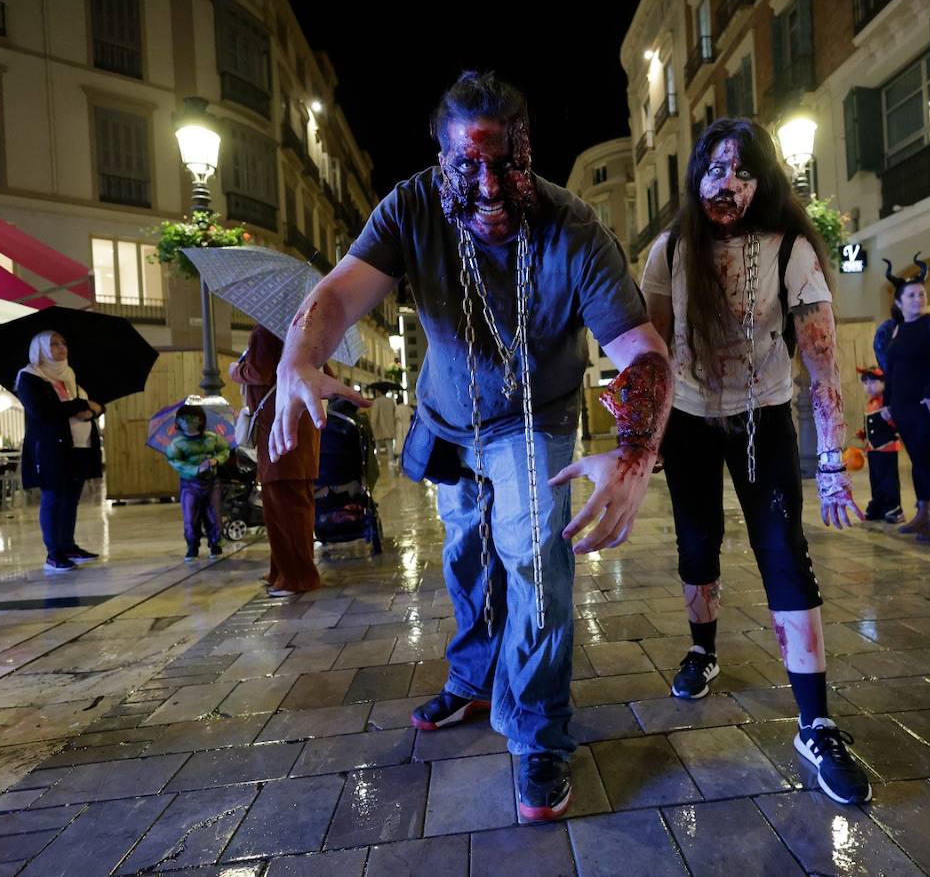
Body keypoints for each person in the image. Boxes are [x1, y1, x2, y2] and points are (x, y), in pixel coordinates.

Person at [266, 72, 671, 822]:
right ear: (440, 159)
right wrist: (299, 358)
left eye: (506, 164)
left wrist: (635, 451)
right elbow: (339, 293)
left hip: (534, 420)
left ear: (529, 152)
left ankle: (538, 731)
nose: (488, 186)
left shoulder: (576, 229)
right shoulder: (412, 205)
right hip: (449, 421)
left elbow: (642, 351)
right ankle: (476, 678)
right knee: (467, 558)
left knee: (537, 570)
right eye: (467, 166)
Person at [641, 117, 870, 806]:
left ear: (764, 182)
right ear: (696, 177)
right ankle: (703, 648)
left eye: (743, 172)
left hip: (764, 415)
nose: (728, 184)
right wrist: (646, 435)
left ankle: (816, 722)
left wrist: (831, 459)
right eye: (716, 169)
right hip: (688, 417)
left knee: (783, 550)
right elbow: (651, 349)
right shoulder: (669, 250)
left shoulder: (791, 250)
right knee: (697, 540)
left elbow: (823, 358)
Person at [229, 326, 333, 595]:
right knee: (294, 508)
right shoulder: (308, 330)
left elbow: (259, 373)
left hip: (278, 430)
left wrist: (235, 371)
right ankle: (281, 571)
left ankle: (297, 578)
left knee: (284, 510)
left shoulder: (265, 332)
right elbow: (328, 376)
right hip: (302, 431)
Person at [881, 258, 930, 543]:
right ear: (899, 302)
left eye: (921, 294)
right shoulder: (898, 329)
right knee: (916, 460)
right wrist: (886, 402)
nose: (918, 298)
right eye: (912, 295)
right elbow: (891, 369)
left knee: (925, 458)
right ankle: (923, 512)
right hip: (903, 405)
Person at [16, 331, 102, 573]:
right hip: (52, 447)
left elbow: (96, 405)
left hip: (80, 444)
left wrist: (92, 410)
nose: (61, 347)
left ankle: (68, 546)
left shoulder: (71, 374)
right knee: (54, 497)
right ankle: (54, 553)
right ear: (41, 348)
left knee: (71, 498)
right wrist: (82, 406)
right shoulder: (30, 377)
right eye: (54, 344)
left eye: (63, 342)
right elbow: (43, 411)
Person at [165, 404, 229, 561]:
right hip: (190, 485)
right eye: (183, 419)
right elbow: (174, 460)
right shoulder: (177, 444)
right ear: (178, 422)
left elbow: (225, 450)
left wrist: (216, 460)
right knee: (190, 517)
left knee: (214, 515)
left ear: (200, 420)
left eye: (193, 418)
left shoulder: (212, 437)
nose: (188, 422)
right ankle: (192, 546)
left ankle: (215, 544)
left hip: (212, 482)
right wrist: (196, 469)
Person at [856, 367, 903, 524]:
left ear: (884, 382)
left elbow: (898, 424)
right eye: (865, 383)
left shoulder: (887, 402)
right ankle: (878, 505)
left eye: (873, 382)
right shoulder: (871, 403)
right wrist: (863, 433)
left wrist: (890, 418)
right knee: (875, 479)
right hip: (872, 448)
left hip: (887, 447)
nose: (868, 386)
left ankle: (893, 508)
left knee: (888, 479)